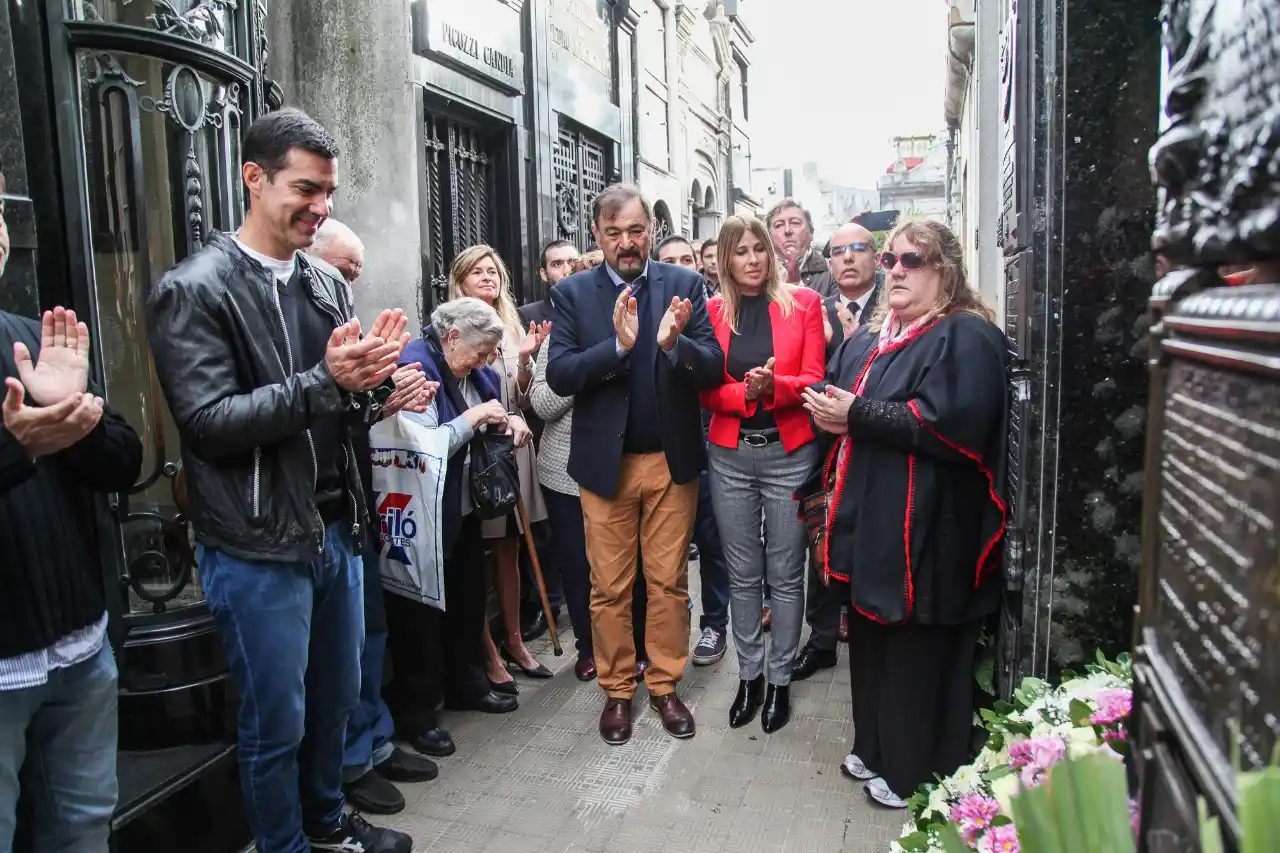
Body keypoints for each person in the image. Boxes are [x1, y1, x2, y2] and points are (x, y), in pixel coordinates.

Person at [145, 108, 412, 853]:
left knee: (332, 704)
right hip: (256, 544)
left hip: (335, 527)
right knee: (276, 723)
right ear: (253, 178)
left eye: (327, 191)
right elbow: (208, 423)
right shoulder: (194, 289)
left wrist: (375, 387)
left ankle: (326, 824)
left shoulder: (326, 282)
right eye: (305, 188)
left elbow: (338, 404)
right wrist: (325, 383)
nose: (319, 207)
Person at [801, 219, 1009, 809]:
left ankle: (917, 767)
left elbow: (950, 424)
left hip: (932, 534)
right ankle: (878, 745)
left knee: (919, 653)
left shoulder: (965, 334)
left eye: (909, 260)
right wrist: (831, 411)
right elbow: (853, 401)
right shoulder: (885, 334)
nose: (893, 269)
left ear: (944, 270)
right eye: (890, 259)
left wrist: (856, 415)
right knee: (872, 641)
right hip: (880, 525)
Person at [546, 183, 724, 745]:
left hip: (671, 464)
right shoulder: (573, 294)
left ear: (650, 231)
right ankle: (619, 691)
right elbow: (559, 375)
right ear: (597, 235)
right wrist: (618, 350)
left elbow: (714, 368)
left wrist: (674, 346)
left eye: (636, 230)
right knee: (609, 587)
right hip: (607, 468)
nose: (627, 242)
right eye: (615, 232)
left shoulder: (684, 284)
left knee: (668, 582)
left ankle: (666, 686)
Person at [0, 164, 144, 852]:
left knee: (83, 825)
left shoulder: (34, 334)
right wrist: (16, 447)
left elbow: (125, 460)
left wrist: (76, 420)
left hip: (78, 649)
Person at [306, 220, 445, 816]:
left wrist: (386, 401)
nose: (352, 281)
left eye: (357, 271)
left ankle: (375, 740)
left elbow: (357, 418)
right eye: (344, 270)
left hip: (358, 509)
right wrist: (371, 403)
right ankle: (347, 762)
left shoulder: (345, 324)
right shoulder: (304, 332)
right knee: (338, 655)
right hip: (313, 518)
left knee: (371, 635)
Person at [700, 216, 825, 733]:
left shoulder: (805, 304)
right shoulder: (711, 312)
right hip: (729, 456)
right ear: (726, 259)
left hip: (789, 453)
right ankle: (748, 675)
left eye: (759, 249)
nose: (753, 259)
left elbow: (816, 378)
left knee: (786, 572)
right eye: (741, 251)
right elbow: (706, 391)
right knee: (742, 571)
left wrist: (772, 388)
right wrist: (743, 394)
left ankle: (778, 680)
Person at [388, 298, 527, 717]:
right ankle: (423, 710)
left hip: (460, 507)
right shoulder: (417, 367)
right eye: (480, 352)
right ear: (451, 337)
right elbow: (423, 448)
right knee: (423, 614)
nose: (484, 362)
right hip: (421, 512)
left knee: (467, 600)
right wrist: (475, 418)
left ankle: (468, 685)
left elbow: (491, 409)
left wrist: (509, 419)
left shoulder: (467, 366)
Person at [447, 245, 552, 690]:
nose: (488, 277)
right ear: (461, 279)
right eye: (478, 271)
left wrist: (526, 357)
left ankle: (514, 640)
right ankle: (485, 650)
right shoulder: (450, 323)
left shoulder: (511, 324)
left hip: (514, 441)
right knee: (477, 550)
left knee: (510, 545)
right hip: (476, 446)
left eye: (494, 270)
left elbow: (526, 395)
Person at [792, 220, 884, 682]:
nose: (848, 258)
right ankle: (821, 639)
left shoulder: (895, 305)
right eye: (839, 251)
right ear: (828, 262)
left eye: (858, 249)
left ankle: (872, 636)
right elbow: (807, 373)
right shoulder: (817, 309)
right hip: (825, 447)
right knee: (822, 540)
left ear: (877, 257)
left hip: (880, 446)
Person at [654, 233, 731, 666]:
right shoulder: (642, 308)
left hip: (710, 437)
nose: (682, 268)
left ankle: (714, 624)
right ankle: (672, 623)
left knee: (711, 535)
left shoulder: (714, 310)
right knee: (668, 548)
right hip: (662, 445)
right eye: (671, 261)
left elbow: (714, 369)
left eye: (689, 260)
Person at [516, 238, 579, 643]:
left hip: (588, 442)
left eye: (573, 261)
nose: (566, 269)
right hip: (542, 436)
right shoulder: (529, 316)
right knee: (550, 534)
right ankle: (547, 603)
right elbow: (532, 389)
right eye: (557, 263)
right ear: (544, 273)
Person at [767, 199, 833, 296]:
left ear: (811, 232)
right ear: (769, 237)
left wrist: (797, 285)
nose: (787, 230)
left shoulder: (831, 271)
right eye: (779, 225)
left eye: (795, 223)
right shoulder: (762, 274)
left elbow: (835, 308)